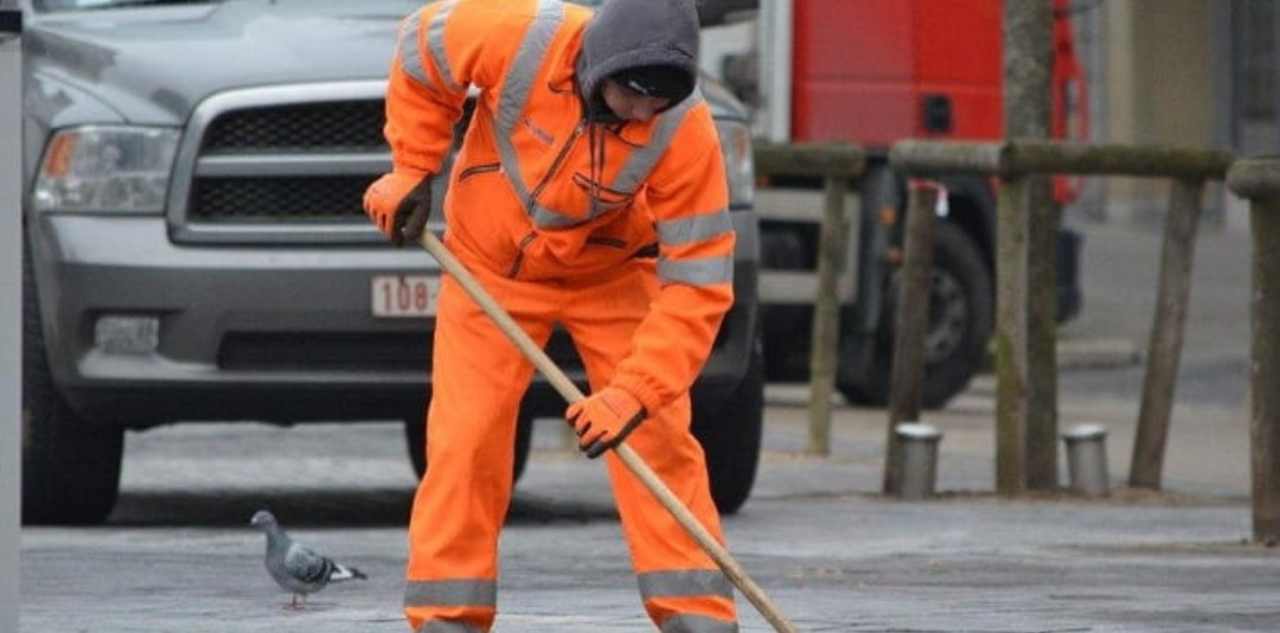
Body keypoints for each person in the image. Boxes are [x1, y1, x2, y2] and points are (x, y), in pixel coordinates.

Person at [362, 0, 738, 631]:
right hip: (489, 269)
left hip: (613, 276)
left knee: (658, 439)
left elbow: (698, 284)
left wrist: (633, 394)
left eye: (662, 103)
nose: (646, 115)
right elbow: (419, 50)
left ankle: (698, 617)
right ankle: (447, 616)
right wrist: (412, 168)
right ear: (599, 67)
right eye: (635, 97)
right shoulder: (520, 36)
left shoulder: (684, 129)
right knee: (466, 443)